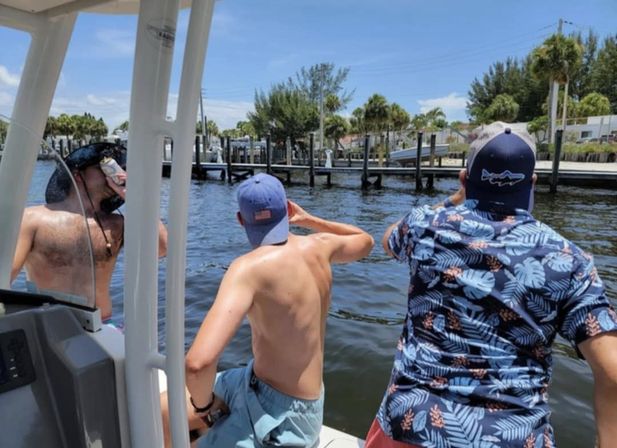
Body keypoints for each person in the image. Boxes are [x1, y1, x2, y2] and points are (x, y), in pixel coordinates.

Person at [366, 122, 617, 447]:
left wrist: (451, 202)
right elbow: (611, 370)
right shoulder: (570, 260)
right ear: (533, 182)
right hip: (511, 436)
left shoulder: (423, 225)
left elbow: (388, 240)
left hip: (411, 424)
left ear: (464, 178)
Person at [162, 172, 374, 447]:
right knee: (168, 410)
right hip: (261, 384)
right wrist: (309, 219)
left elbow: (197, 365)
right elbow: (365, 240)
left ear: (240, 219)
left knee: (165, 416)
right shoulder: (321, 246)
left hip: (283, 415)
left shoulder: (247, 268)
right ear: (287, 209)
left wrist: (207, 410)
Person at [11, 142, 168, 322]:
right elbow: (6, 274)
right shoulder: (32, 219)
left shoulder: (117, 224)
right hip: (48, 324)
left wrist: (135, 198)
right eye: (104, 167)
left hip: (103, 324)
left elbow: (162, 248)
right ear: (78, 175)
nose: (113, 173)